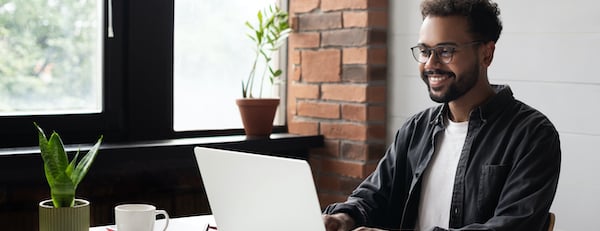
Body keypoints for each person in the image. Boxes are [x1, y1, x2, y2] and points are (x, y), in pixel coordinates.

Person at [322, 0, 561, 230]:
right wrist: (344, 218)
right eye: (425, 51)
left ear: (486, 54)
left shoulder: (533, 135)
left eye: (446, 51)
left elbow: (511, 226)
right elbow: (374, 195)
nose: (430, 63)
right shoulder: (416, 128)